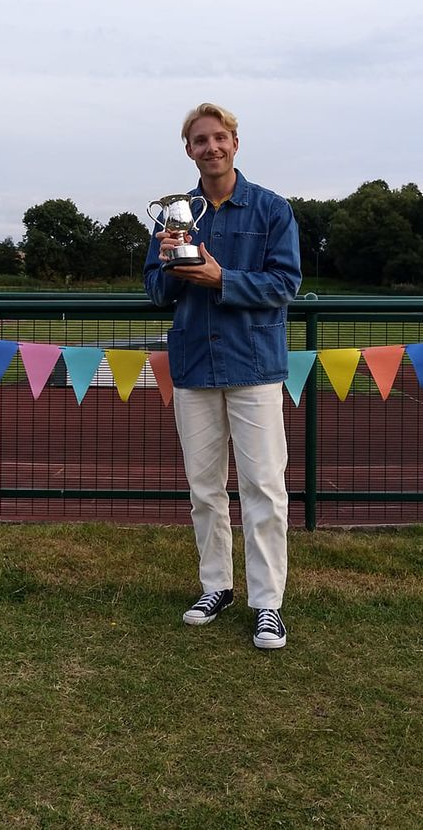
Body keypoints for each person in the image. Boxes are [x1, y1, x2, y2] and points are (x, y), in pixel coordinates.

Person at [144, 103, 301, 649]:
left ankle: (267, 603)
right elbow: (156, 293)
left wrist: (219, 277)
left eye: (218, 138)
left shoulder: (272, 210)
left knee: (263, 487)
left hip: (254, 366)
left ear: (235, 142)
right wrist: (169, 264)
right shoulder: (174, 213)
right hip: (192, 366)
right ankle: (216, 587)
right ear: (188, 150)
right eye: (198, 140)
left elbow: (284, 285)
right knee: (205, 490)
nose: (209, 147)